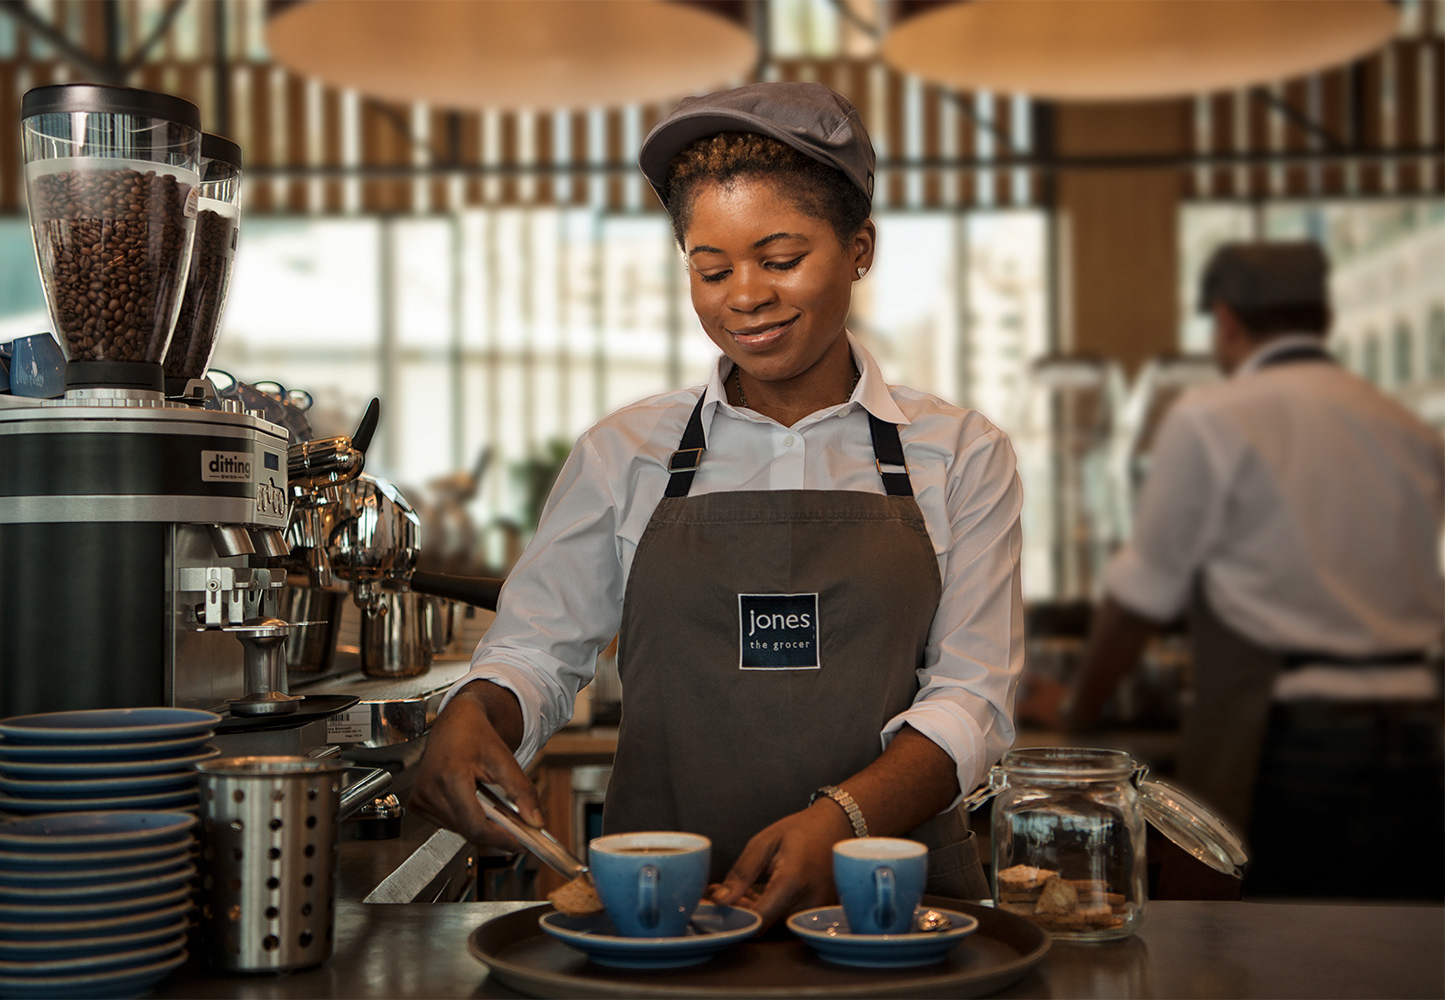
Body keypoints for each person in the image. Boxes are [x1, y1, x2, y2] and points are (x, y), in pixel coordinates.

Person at [408, 81, 1023, 925]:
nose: (744, 296)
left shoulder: (958, 454)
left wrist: (842, 820)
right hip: (662, 909)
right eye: (711, 269)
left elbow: (974, 701)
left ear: (860, 248)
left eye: (780, 260)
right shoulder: (625, 452)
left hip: (893, 906)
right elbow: (539, 651)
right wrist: (477, 708)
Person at [1023, 242, 1445, 899]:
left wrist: (1079, 710)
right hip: (1419, 733)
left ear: (1225, 320)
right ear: (1323, 317)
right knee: (1395, 956)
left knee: (1279, 956)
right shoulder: (1405, 426)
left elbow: (1143, 597)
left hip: (1294, 739)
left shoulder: (1214, 418)